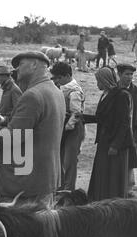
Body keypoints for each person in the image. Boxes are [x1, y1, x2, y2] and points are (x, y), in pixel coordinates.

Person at [0, 51, 66, 208]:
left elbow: (12, 138)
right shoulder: (55, 91)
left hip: (24, 184)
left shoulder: (32, 95)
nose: (17, 69)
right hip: (45, 180)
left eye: (20, 64)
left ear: (34, 65)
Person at [88, 67, 134, 201]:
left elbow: (124, 123)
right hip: (105, 141)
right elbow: (103, 118)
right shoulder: (105, 94)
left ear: (105, 80)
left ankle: (113, 206)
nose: (97, 84)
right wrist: (83, 118)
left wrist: (115, 145)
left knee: (113, 178)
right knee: (103, 175)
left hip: (115, 144)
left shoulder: (121, 95)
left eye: (98, 81)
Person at [51, 62, 85, 191]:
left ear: (66, 75)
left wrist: (66, 127)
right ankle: (61, 187)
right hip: (64, 126)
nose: (57, 81)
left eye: (59, 78)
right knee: (60, 159)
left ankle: (68, 190)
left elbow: (76, 113)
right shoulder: (63, 87)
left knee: (69, 161)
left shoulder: (74, 90)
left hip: (73, 128)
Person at [117, 63, 137, 197]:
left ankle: (129, 187)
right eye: (126, 74)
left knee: (130, 159)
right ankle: (116, 186)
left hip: (132, 133)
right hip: (116, 133)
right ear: (119, 75)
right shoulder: (114, 90)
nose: (129, 77)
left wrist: (136, 133)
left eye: (131, 74)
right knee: (116, 159)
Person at [0, 65, 23, 175]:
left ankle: (2, 169)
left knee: (6, 147)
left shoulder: (14, 90)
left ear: (5, 76)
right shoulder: (7, 88)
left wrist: (5, 119)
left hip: (8, 124)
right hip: (3, 122)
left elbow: (18, 112)